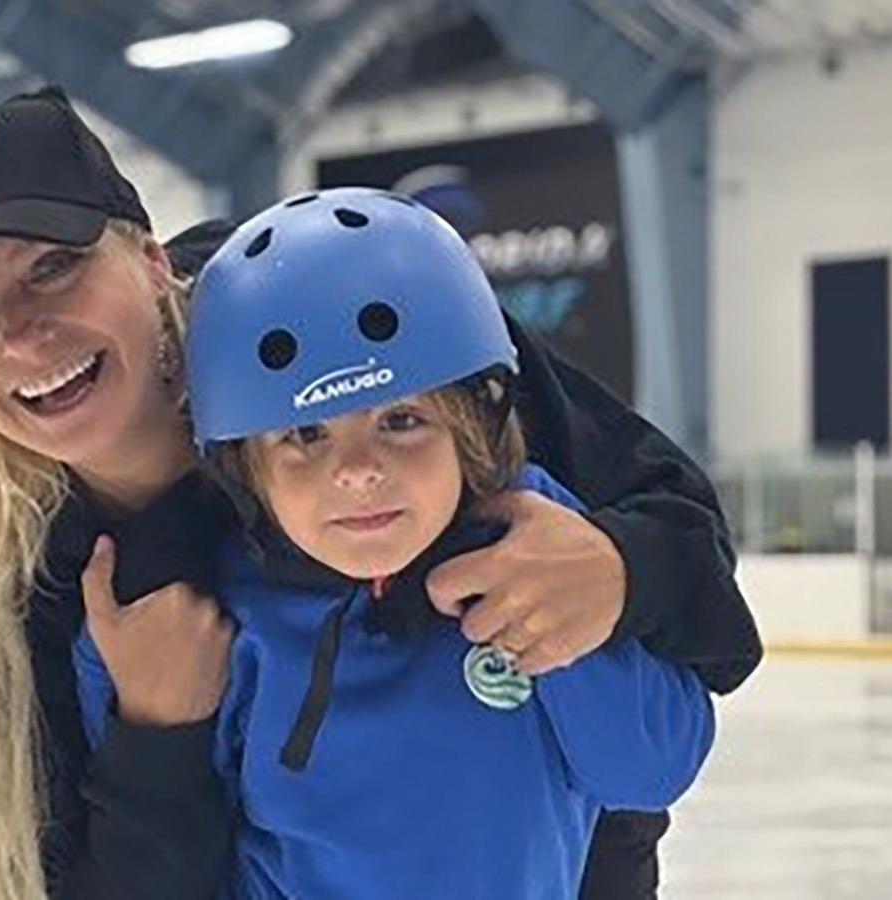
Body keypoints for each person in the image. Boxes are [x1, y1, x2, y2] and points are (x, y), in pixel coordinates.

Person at [0, 86, 761, 900]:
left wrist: (618, 573)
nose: (22, 335)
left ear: (145, 257)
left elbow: (694, 587)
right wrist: (157, 738)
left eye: (52, 267)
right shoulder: (47, 584)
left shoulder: (341, 310)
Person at [74, 187, 716, 897]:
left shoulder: (534, 546)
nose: (356, 472)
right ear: (243, 467)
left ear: (472, 425)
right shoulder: (213, 616)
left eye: (401, 420)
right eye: (304, 435)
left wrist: (561, 637)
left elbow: (651, 768)